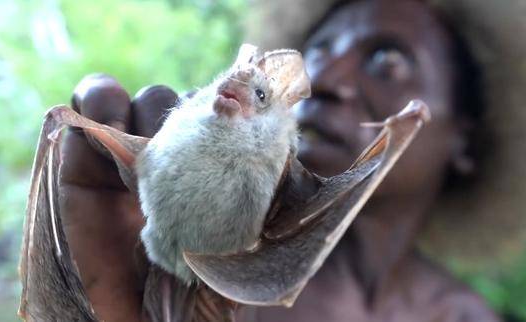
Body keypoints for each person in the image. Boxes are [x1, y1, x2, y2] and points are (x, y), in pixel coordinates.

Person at [57, 0, 525, 321]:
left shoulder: (463, 315)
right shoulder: (217, 263)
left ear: (468, 136)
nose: (323, 77)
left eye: (387, 60)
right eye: (319, 49)